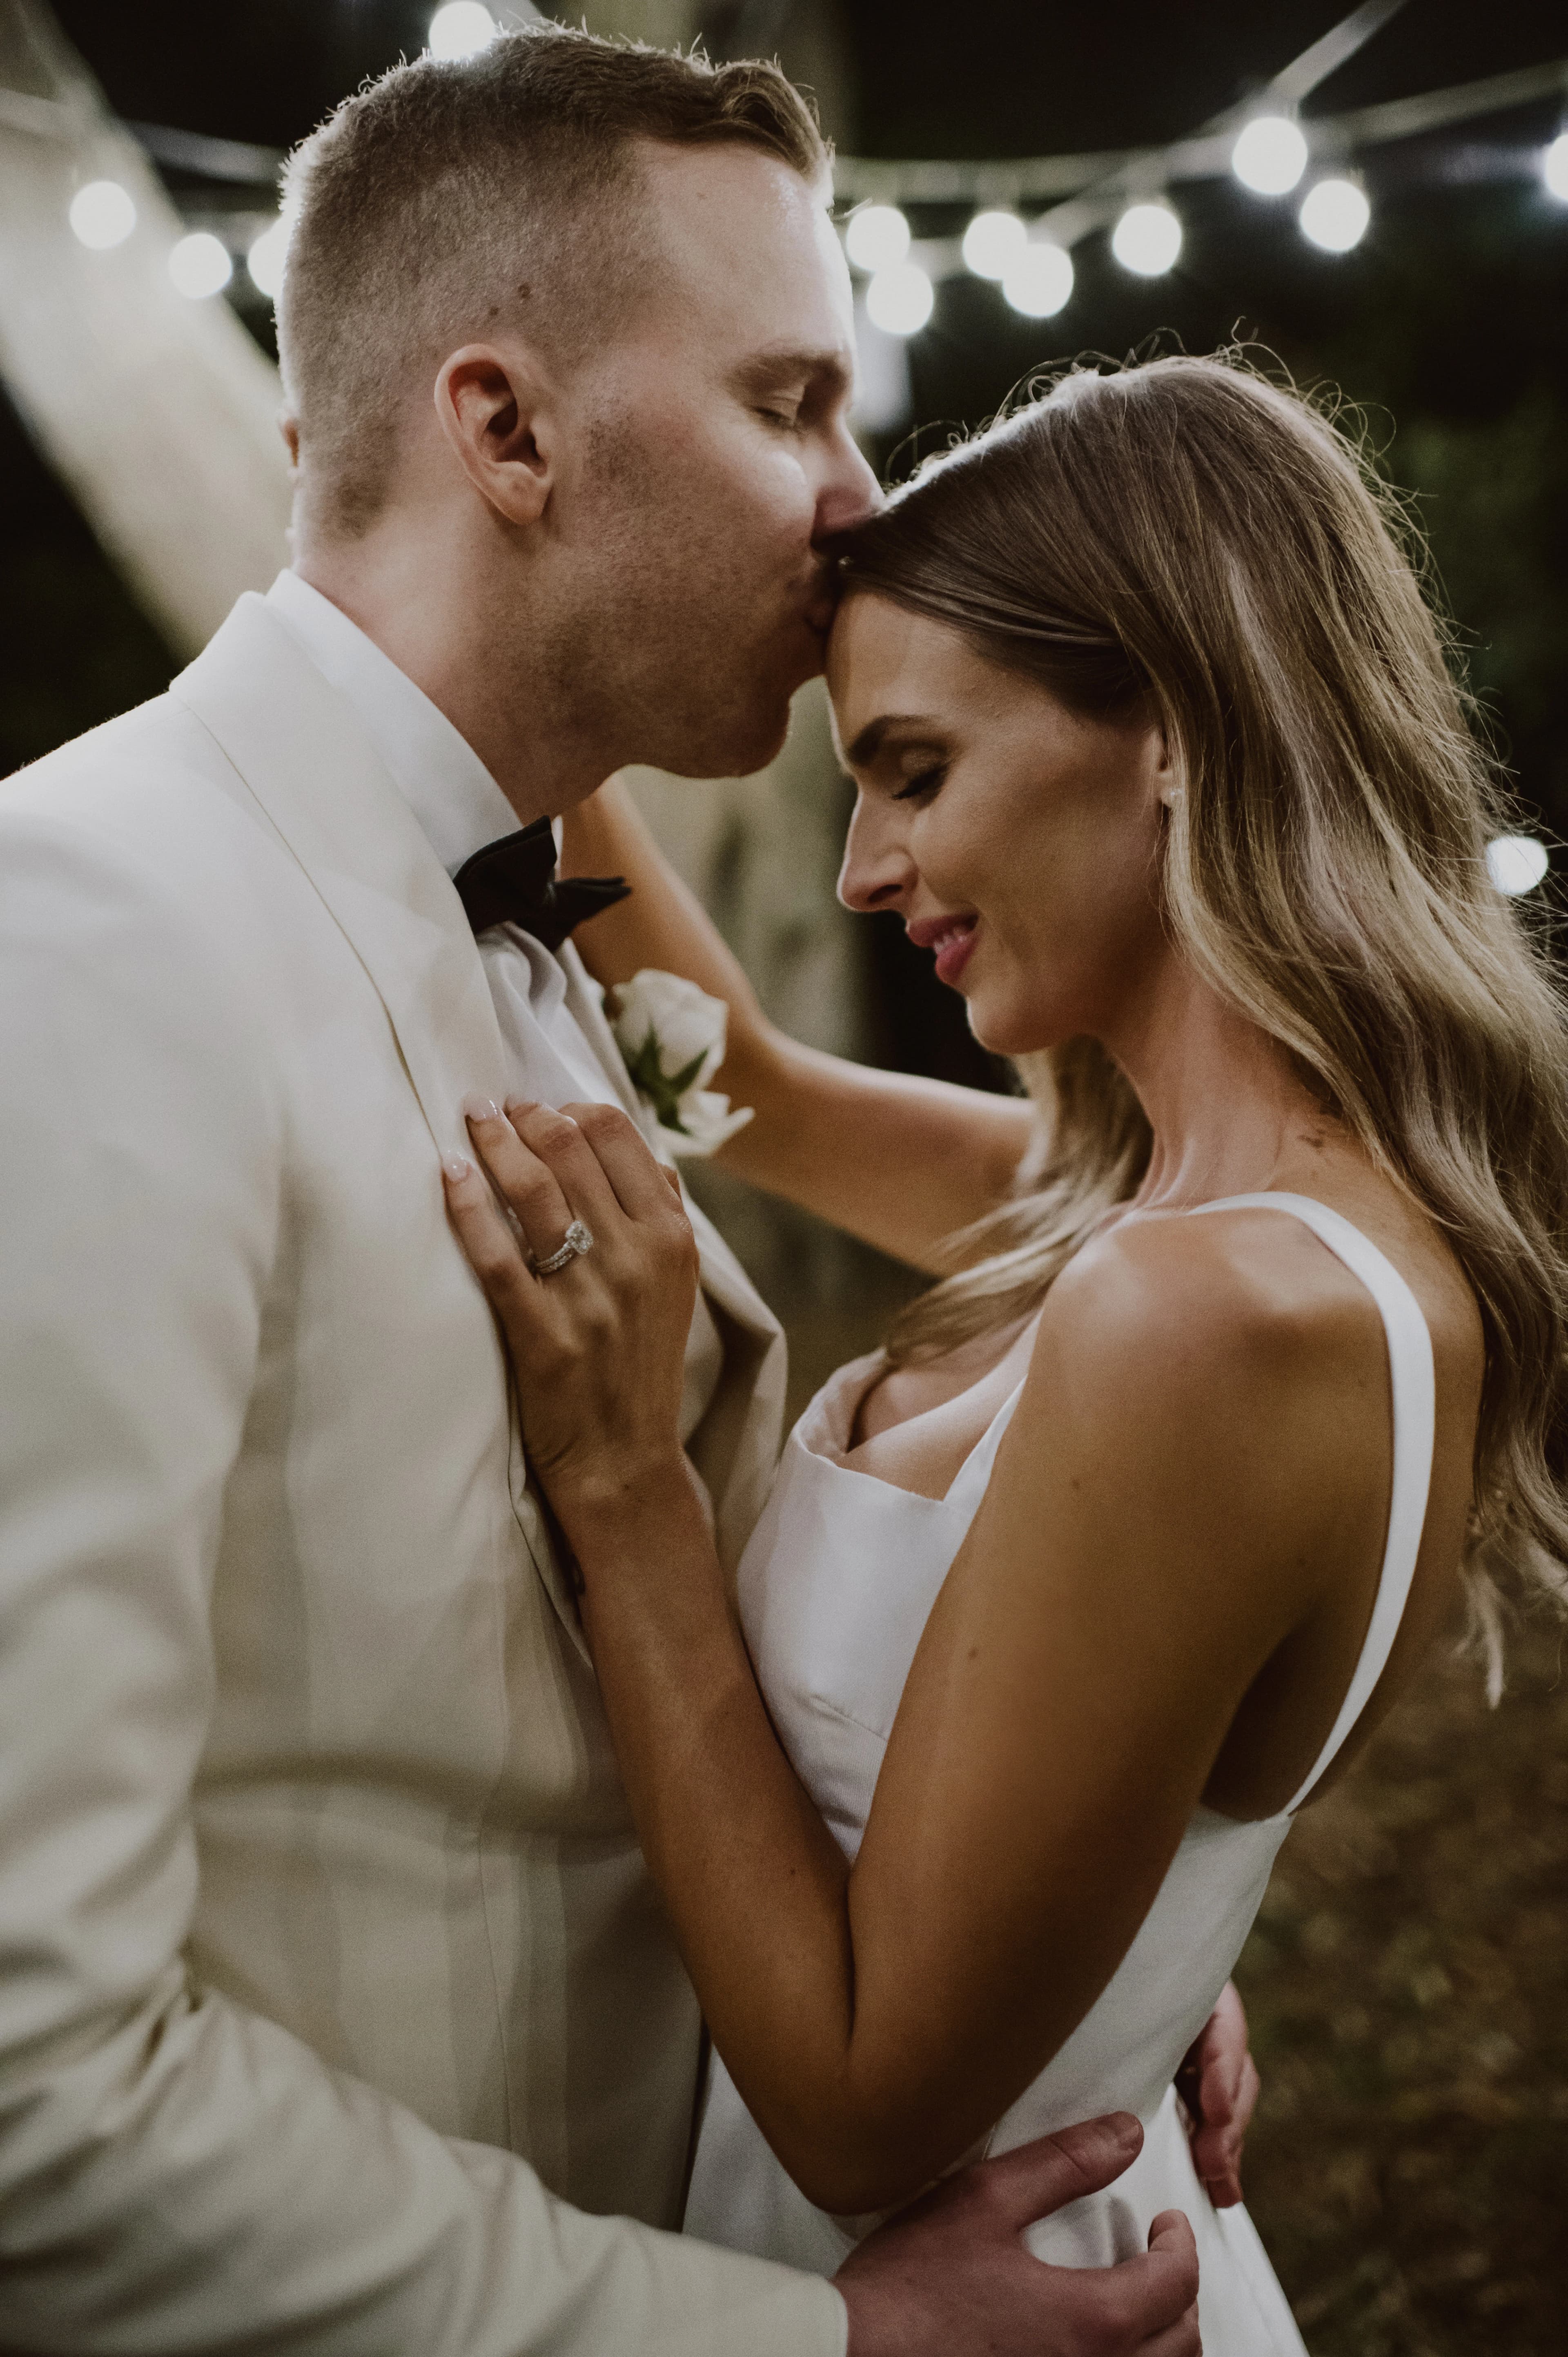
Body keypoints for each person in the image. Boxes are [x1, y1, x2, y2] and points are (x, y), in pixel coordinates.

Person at [0, 27, 1238, 2356]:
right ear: (507, 432)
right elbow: (30, 2086)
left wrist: (1050, 1945)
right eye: (793, 403)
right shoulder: (83, 942)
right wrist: (816, 2345)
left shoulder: (545, 941)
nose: (861, 504)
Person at [443, 352, 1568, 2355]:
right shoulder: (1191, 1226)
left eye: (917, 771)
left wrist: (627, 1491)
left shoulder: (1201, 1316)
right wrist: (537, 642)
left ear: (1171, 730)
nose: (869, 872)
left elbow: (869, 2104)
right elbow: (741, 1094)